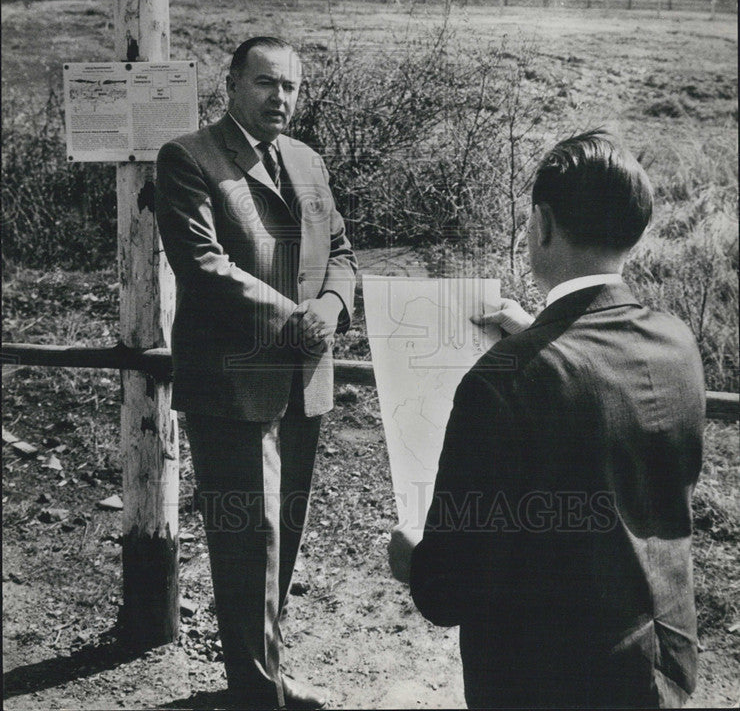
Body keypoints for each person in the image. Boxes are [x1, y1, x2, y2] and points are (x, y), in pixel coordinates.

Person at [388, 130, 705, 709]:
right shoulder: (677, 343)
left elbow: (449, 587)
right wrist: (541, 332)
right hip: (666, 659)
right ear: (635, 225)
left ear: (541, 224)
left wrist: (413, 556)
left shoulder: (502, 381)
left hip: (549, 681)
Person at [155, 36, 357, 710]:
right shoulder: (189, 158)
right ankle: (256, 689)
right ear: (233, 84)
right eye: (266, 83)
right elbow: (203, 264)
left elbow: (342, 250)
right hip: (233, 387)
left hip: (306, 378)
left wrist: (331, 305)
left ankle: (263, 672)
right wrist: (292, 316)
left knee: (286, 532)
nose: (280, 98)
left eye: (291, 87)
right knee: (247, 538)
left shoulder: (307, 160)